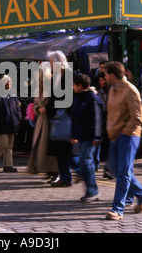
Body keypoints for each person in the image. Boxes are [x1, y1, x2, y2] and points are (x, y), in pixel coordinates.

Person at [103, 61, 142, 220]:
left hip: (129, 135)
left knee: (124, 172)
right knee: (113, 168)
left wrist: (124, 132)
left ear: (112, 75)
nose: (103, 77)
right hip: (115, 136)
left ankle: (117, 209)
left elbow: (138, 117)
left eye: (105, 74)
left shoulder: (130, 90)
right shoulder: (112, 90)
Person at [46, 50, 79, 187]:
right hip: (58, 120)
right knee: (61, 151)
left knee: (69, 152)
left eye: (51, 62)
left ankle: (81, 173)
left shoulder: (70, 76)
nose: (50, 65)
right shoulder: (57, 77)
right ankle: (65, 177)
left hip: (66, 120)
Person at [71, 74, 102, 202]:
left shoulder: (92, 98)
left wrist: (97, 136)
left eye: (74, 85)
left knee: (85, 161)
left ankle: (92, 190)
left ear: (80, 86)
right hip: (82, 136)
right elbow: (75, 117)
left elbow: (97, 118)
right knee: (84, 162)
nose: (72, 87)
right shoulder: (79, 98)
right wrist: (74, 134)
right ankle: (91, 189)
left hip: (91, 136)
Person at [26, 68, 59, 182]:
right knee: (41, 147)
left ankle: (55, 171)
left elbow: (56, 104)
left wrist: (47, 109)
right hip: (41, 121)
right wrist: (38, 109)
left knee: (50, 148)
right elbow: (34, 104)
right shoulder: (38, 90)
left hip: (50, 121)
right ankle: (47, 170)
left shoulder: (53, 89)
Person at [0, 75, 22, 172]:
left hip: (12, 122)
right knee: (4, 143)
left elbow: (17, 108)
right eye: (8, 81)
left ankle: (8, 165)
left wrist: (18, 117)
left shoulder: (12, 95)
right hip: (2, 123)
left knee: (9, 146)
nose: (9, 83)